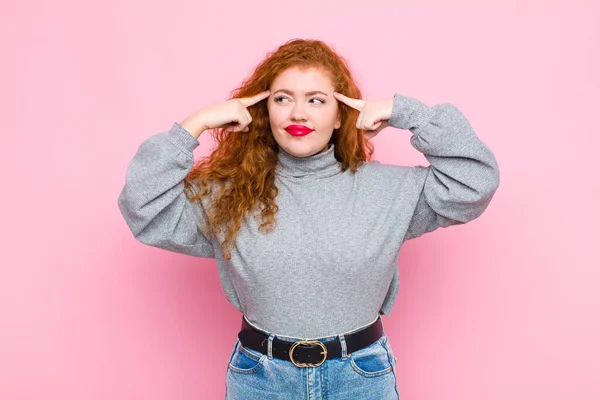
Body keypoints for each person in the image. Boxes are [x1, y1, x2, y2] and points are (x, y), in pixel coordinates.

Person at [117, 38, 500, 399]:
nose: (298, 112)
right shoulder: (229, 195)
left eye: (316, 100)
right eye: (283, 99)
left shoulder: (389, 190)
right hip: (260, 379)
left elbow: (474, 182)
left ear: (340, 116)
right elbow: (144, 209)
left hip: (360, 379)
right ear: (265, 112)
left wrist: (410, 113)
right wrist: (194, 124)